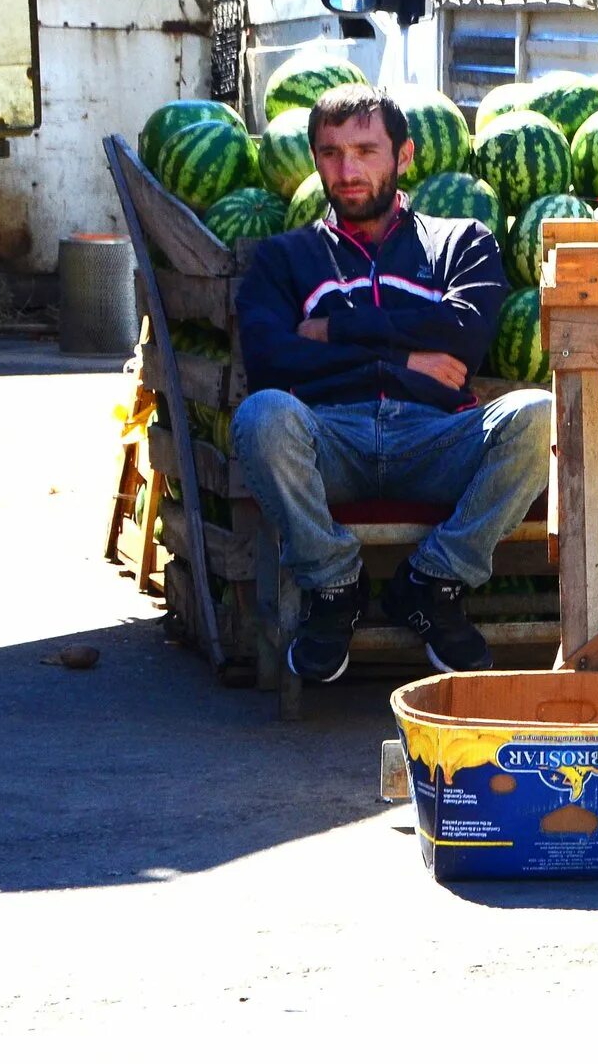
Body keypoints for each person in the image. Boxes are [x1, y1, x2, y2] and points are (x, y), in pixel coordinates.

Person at [231, 84, 550, 681]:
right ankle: (334, 587)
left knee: (539, 414)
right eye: (330, 153)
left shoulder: (462, 242)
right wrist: (399, 363)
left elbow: (464, 334)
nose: (347, 170)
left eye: (366, 150)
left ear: (404, 156)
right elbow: (272, 359)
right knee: (261, 417)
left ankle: (435, 580)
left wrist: (334, 329)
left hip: (438, 440)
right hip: (332, 440)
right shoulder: (284, 258)